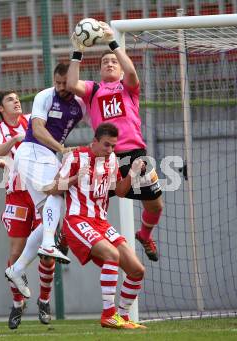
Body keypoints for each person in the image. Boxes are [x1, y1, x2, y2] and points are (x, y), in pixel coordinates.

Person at [67, 21, 164, 262]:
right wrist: (77, 51)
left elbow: (131, 73)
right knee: (80, 198)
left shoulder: (128, 87)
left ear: (119, 69)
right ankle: (61, 235)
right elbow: (71, 84)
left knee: (156, 206)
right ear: (99, 70)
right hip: (104, 157)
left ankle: (144, 234)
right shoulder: (94, 89)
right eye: (104, 62)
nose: (109, 63)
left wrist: (113, 42)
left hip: (134, 155)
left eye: (113, 61)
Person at [47, 122, 146, 329]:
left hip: (101, 222)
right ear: (95, 141)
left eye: (113, 146)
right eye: (106, 145)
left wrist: (133, 174)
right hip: (77, 220)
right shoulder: (75, 157)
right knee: (112, 255)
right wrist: (75, 178)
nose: (110, 150)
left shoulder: (111, 161)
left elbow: (118, 191)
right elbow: (53, 189)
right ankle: (108, 315)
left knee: (137, 270)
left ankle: (123, 316)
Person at [4, 62, 88, 296]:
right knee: (59, 192)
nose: (61, 87)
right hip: (34, 150)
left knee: (50, 213)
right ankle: (50, 244)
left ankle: (17, 268)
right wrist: (62, 149)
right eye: (58, 82)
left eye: (65, 83)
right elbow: (38, 129)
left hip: (45, 156)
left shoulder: (81, 103)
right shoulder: (45, 96)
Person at [0, 91, 55, 329]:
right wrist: (15, 139)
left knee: (47, 251)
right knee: (15, 253)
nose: (16, 101)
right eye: (10, 100)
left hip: (39, 190)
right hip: (16, 195)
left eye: (17, 98)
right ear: (0, 108)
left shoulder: (32, 119)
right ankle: (18, 304)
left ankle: (45, 300)